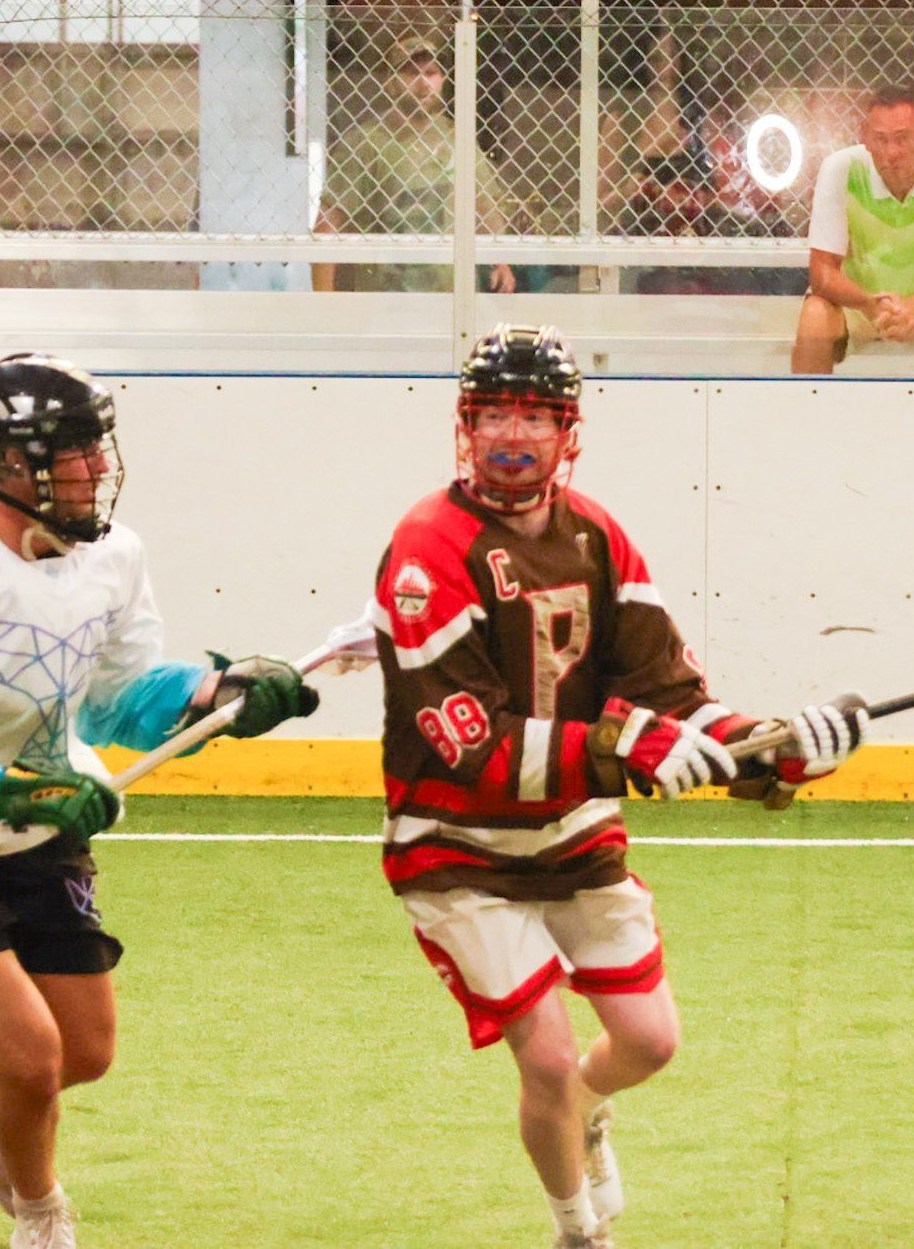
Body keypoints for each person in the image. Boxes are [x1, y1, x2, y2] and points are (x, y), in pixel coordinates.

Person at [370, 323, 869, 1248]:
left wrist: (771, 750)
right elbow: (475, 751)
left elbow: (670, 696)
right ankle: (578, 1231)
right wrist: (623, 748)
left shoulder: (596, 535)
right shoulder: (426, 547)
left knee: (648, 1040)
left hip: (573, 835)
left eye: (535, 416)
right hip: (455, 847)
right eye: (495, 414)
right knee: (547, 1057)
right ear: (465, 424)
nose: (512, 435)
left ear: (568, 430)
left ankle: (584, 1112)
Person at [0, 353, 318, 1249]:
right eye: (73, 449)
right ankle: (43, 1214)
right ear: (8, 465)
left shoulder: (115, 558)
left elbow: (119, 694)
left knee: (83, 1052)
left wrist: (217, 693)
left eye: (98, 446)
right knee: (33, 1056)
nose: (97, 466)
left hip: (43, 828)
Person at [792, 87, 914, 375]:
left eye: (902, 138)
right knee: (815, 316)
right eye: (881, 139)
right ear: (864, 135)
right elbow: (822, 274)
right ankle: (804, 404)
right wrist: (870, 304)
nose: (892, 152)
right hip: (860, 307)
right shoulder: (840, 168)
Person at [313, 32, 517, 296]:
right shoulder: (365, 143)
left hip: (449, 299)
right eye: (411, 74)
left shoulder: (456, 139)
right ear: (390, 82)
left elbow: (484, 205)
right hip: (385, 299)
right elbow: (328, 225)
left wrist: (501, 262)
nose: (423, 83)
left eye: (431, 73)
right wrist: (324, 300)